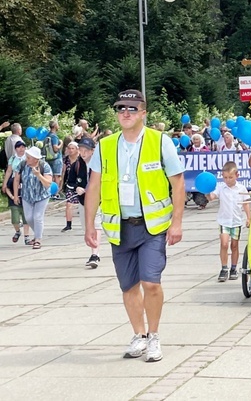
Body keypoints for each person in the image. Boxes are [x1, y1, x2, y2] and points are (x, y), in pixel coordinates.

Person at [84, 89, 185, 363]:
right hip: (119, 227)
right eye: (120, 108)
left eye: (131, 108)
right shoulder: (105, 146)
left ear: (143, 113)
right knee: (128, 286)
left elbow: (178, 184)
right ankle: (138, 335)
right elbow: (93, 187)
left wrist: (177, 223)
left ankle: (154, 336)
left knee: (151, 283)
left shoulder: (160, 141)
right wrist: (89, 225)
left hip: (152, 226)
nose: (125, 113)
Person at [206, 161, 251, 282]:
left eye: (230, 177)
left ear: (237, 175)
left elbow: (246, 204)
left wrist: (249, 218)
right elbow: (211, 197)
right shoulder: (221, 187)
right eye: (225, 177)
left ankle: (234, 268)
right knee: (224, 243)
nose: (228, 180)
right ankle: (224, 268)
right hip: (224, 221)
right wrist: (206, 191)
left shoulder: (241, 188)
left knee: (234, 245)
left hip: (236, 221)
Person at [12, 145, 53, 249]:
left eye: (29, 157)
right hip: (27, 196)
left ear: (36, 159)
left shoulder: (45, 166)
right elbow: (16, 180)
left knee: (37, 217)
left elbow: (48, 184)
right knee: (29, 218)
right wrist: (16, 195)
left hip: (41, 196)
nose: (27, 159)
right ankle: (38, 234)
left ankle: (38, 239)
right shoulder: (22, 165)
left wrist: (39, 175)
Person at [77, 137, 102, 268]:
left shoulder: (99, 164)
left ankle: (95, 254)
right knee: (87, 226)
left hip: (98, 200)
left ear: (93, 151)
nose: (83, 153)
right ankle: (94, 249)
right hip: (83, 201)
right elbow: (70, 182)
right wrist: (77, 187)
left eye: (86, 150)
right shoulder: (78, 164)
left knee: (96, 225)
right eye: (81, 150)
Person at [3, 140, 30, 244]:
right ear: (15, 149)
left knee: (25, 214)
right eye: (19, 147)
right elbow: (9, 171)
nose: (21, 149)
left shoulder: (28, 157)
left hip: (26, 183)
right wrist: (5, 183)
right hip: (14, 182)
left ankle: (27, 236)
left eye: (23, 147)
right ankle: (18, 231)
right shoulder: (13, 158)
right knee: (15, 215)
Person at [61, 141, 87, 232]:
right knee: (69, 204)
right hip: (70, 184)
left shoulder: (82, 160)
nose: (71, 150)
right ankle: (68, 224)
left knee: (85, 205)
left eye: (73, 148)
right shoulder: (66, 159)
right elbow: (64, 172)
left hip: (83, 186)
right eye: (69, 148)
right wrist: (61, 185)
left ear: (77, 150)